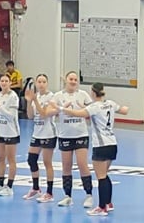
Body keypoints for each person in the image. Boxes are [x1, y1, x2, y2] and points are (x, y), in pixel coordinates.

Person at [59, 82, 128, 216]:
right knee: (105, 175)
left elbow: (78, 114)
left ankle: (102, 207)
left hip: (101, 145)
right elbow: (124, 110)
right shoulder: (110, 103)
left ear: (93, 93)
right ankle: (108, 203)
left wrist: (63, 109)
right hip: (112, 144)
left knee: (101, 177)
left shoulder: (94, 107)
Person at [52, 71, 94, 208]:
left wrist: (84, 108)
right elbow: (51, 109)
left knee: (82, 164)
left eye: (75, 79)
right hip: (65, 135)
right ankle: (67, 196)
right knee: (66, 166)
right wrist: (61, 109)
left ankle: (89, 195)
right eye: (71, 79)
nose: (73, 81)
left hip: (80, 134)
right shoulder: (58, 95)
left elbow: (92, 110)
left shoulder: (83, 94)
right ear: (66, 80)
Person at [23, 73, 57, 203]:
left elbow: (43, 114)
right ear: (36, 84)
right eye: (39, 82)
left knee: (47, 162)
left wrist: (35, 100)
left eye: (44, 82)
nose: (41, 84)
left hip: (48, 133)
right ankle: (36, 188)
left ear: (47, 83)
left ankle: (49, 192)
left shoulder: (51, 97)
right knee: (31, 160)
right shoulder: (35, 96)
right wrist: (29, 102)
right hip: (37, 133)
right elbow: (30, 116)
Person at [0, 74, 20, 196]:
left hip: (11, 132)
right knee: (1, 158)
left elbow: (11, 116)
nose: (4, 83)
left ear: (10, 83)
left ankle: (9, 187)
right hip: (0, 131)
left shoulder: (13, 96)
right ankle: (0, 184)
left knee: (11, 159)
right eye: (2, 81)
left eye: (6, 81)